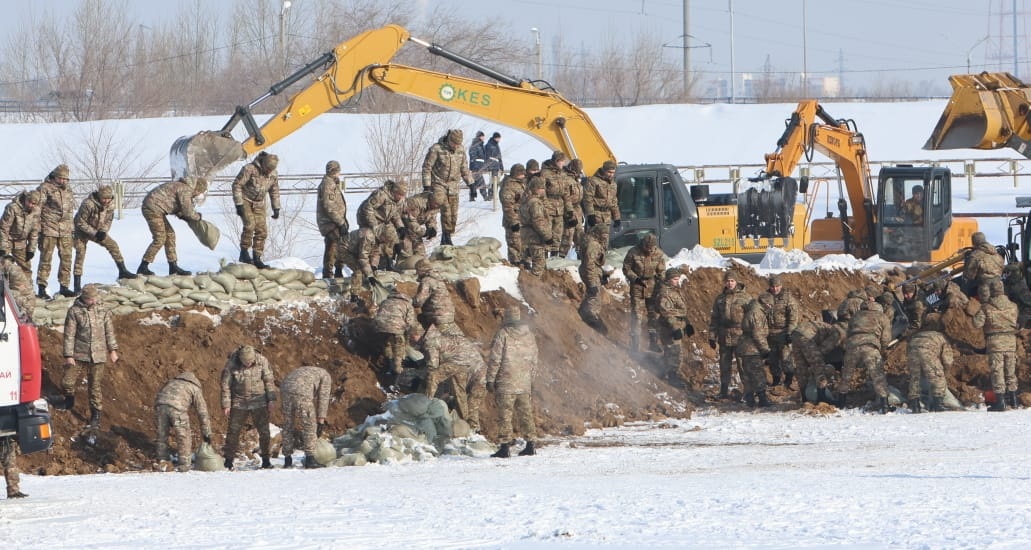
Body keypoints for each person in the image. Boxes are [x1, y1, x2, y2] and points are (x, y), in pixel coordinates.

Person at [60, 284, 119, 428]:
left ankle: (96, 416)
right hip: (79, 353)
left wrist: (112, 350)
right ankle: (69, 400)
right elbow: (69, 334)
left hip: (98, 354)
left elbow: (109, 331)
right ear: (84, 298)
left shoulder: (102, 309)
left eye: (95, 298)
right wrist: (68, 355)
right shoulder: (75, 311)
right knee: (67, 381)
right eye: (90, 299)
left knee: (95, 386)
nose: (93, 301)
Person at [486, 306, 538, 458]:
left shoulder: (503, 334)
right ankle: (530, 444)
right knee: (526, 414)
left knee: (505, 415)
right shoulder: (530, 336)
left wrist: (490, 379)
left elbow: (495, 359)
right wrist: (531, 380)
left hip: (506, 381)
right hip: (524, 382)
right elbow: (534, 360)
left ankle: (504, 447)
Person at [420, 323, 486, 431]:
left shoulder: (431, 342)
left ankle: (426, 405)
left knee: (433, 377)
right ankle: (468, 425)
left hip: (462, 366)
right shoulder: (452, 338)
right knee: (461, 393)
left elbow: (433, 365)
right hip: (467, 366)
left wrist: (425, 379)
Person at [220, 345, 277, 470]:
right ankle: (228, 461)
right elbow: (225, 385)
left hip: (259, 400)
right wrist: (226, 404)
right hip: (239, 401)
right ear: (240, 359)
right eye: (245, 362)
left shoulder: (262, 361)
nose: (247, 364)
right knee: (233, 432)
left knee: (264, 432)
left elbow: (269, 381)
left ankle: (266, 460)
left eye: (250, 362)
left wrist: (271, 400)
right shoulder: (232, 363)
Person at [137, 176, 207, 276]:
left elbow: (176, 206)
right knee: (160, 238)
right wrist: (198, 217)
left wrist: (183, 216)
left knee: (170, 235)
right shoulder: (186, 189)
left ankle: (173, 266)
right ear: (198, 188)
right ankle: (143, 267)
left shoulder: (182, 186)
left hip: (155, 208)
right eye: (199, 192)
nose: (197, 195)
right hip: (153, 209)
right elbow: (188, 211)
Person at [73, 184, 137, 289]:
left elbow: (108, 220)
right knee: (80, 254)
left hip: (97, 230)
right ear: (99, 196)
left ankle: (123, 270)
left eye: (108, 198)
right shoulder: (88, 204)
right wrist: (94, 233)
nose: (106, 201)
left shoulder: (111, 205)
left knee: (113, 245)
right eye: (104, 198)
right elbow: (80, 222)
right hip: (80, 231)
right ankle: (77, 285)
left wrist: (103, 231)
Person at [971, 281, 1019, 411]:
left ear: (991, 292)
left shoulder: (986, 308)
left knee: (997, 371)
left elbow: (976, 324)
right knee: (1010, 371)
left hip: (995, 342)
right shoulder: (1013, 306)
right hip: (1010, 341)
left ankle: (1000, 402)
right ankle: (1014, 401)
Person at [421, 129, 473, 246]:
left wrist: (471, 183)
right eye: (454, 143)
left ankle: (447, 235)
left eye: (458, 144)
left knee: (453, 215)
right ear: (449, 140)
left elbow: (464, 168)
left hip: (453, 185)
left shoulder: (461, 150)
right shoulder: (437, 149)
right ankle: (443, 235)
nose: (455, 146)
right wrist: (427, 185)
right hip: (438, 183)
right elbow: (427, 168)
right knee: (445, 209)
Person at [838, 301, 892, 413]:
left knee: (846, 376)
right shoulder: (882, 316)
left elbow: (848, 333)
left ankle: (841, 404)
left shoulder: (855, 316)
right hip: (870, 346)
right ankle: (885, 406)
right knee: (878, 376)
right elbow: (886, 338)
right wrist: (881, 350)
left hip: (852, 346)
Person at [232, 151, 281, 269]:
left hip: (259, 203)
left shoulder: (273, 174)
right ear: (263, 164)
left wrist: (276, 207)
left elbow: (274, 190)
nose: (268, 171)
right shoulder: (250, 169)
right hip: (245, 200)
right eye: (267, 169)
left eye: (271, 169)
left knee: (262, 230)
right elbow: (237, 185)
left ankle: (257, 257)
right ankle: (244, 252)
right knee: (250, 225)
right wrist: (239, 204)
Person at [154, 371, 212, 472]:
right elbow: (203, 413)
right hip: (177, 408)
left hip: (160, 405)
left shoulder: (172, 382)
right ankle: (184, 464)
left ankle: (162, 460)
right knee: (183, 435)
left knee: (162, 435)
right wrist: (207, 433)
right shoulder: (194, 388)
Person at [35, 163, 77, 299]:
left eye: (66, 179)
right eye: (61, 178)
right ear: (55, 177)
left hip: (65, 229)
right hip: (48, 228)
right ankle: (42, 287)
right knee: (46, 258)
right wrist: (39, 229)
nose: (63, 181)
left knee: (66, 258)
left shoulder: (68, 190)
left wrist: (72, 228)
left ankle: (64, 286)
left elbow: (70, 210)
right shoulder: (44, 188)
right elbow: (37, 209)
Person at [279, 366, 332, 469]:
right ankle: (310, 459)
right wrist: (321, 420)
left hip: (285, 388)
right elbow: (323, 398)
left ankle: (287, 460)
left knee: (288, 424)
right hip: (302, 391)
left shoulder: (307, 371)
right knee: (309, 425)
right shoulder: (326, 376)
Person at [709, 271, 751, 399]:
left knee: (743, 365)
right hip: (724, 335)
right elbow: (714, 318)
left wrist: (752, 335)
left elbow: (752, 317)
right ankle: (723, 391)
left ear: (736, 282)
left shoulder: (746, 298)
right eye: (727, 281)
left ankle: (748, 392)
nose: (730, 283)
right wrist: (712, 336)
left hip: (740, 335)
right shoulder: (720, 299)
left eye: (732, 281)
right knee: (724, 364)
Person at [622, 233, 666, 352]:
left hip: (653, 288)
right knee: (637, 316)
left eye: (651, 248)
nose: (649, 250)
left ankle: (653, 343)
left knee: (654, 316)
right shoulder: (633, 252)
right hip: (637, 287)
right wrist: (635, 278)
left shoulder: (659, 254)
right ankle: (635, 345)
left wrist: (662, 284)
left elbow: (662, 271)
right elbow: (626, 268)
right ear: (643, 244)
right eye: (647, 247)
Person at [790, 311, 844, 404]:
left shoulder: (827, 327)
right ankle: (822, 397)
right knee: (818, 365)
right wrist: (815, 357)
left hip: (795, 334)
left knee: (801, 367)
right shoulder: (837, 334)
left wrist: (809, 356)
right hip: (806, 336)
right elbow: (823, 349)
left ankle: (804, 397)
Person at [905, 313, 951, 413]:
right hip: (928, 354)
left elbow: (907, 349)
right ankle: (937, 405)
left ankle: (915, 405)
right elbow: (947, 359)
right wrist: (946, 371)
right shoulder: (940, 336)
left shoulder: (917, 335)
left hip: (912, 350)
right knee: (937, 377)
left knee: (915, 378)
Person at [655, 267, 694, 379]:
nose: (677, 281)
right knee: (675, 353)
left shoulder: (675, 291)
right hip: (669, 329)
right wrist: (675, 328)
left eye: (678, 279)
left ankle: (664, 373)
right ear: (668, 279)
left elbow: (681, 310)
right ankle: (672, 377)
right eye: (675, 279)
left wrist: (687, 323)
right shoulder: (664, 293)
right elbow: (667, 313)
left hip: (677, 326)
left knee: (672, 352)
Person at [761, 274, 799, 388]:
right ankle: (776, 380)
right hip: (769, 333)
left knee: (786, 357)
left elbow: (793, 317)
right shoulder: (764, 298)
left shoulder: (788, 298)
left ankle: (788, 380)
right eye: (773, 286)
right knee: (772, 359)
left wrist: (789, 332)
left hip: (783, 332)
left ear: (781, 286)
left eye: (777, 286)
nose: (775, 289)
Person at [374, 287, 420, 376]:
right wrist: (409, 336)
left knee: (387, 344)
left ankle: (389, 364)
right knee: (399, 347)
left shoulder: (385, 301)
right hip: (396, 328)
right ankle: (397, 370)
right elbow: (410, 322)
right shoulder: (407, 304)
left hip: (380, 327)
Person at [738, 294, 772, 408]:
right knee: (758, 373)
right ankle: (762, 399)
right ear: (765, 303)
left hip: (747, 347)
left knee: (749, 374)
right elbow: (758, 334)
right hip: (752, 348)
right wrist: (765, 350)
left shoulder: (754, 310)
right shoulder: (757, 313)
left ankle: (750, 399)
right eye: (770, 304)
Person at [316, 160, 349, 279]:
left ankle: (338, 270)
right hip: (330, 223)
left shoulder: (332, 184)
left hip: (335, 221)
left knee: (339, 244)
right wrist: (340, 222)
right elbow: (329, 206)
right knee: (334, 245)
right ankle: (329, 272)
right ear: (335, 171)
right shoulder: (327, 185)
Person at [0, 190, 41, 278]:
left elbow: (34, 232)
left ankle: (27, 290)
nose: (31, 205)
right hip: (7, 240)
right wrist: (3, 247)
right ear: (25, 199)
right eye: (29, 202)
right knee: (4, 265)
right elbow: (4, 228)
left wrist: (31, 249)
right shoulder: (13, 208)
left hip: (21, 243)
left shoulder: (36, 211)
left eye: (33, 204)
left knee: (26, 268)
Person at [540, 151, 574, 257]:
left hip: (560, 209)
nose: (562, 164)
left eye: (563, 162)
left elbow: (566, 193)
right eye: (561, 162)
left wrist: (569, 210)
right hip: (548, 208)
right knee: (546, 235)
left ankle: (554, 259)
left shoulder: (563, 174)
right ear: (556, 161)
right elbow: (541, 191)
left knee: (557, 235)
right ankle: (544, 259)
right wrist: (544, 206)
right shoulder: (545, 173)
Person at [518, 176, 552, 276]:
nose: (544, 190)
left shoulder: (525, 200)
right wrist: (547, 236)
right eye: (542, 188)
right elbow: (538, 221)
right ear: (537, 189)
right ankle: (533, 286)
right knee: (539, 263)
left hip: (527, 235)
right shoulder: (535, 203)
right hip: (535, 236)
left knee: (527, 259)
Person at [583, 160, 621, 248]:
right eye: (609, 172)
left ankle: (602, 259)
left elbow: (614, 202)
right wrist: (590, 214)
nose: (611, 175)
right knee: (593, 241)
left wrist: (617, 218)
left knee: (604, 242)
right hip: (596, 214)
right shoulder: (593, 181)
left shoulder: (613, 184)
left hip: (606, 216)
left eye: (613, 172)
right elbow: (588, 198)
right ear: (604, 170)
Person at [578, 223, 610, 327]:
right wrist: (592, 282)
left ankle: (583, 312)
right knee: (594, 296)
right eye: (604, 235)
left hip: (593, 271)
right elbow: (589, 264)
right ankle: (590, 318)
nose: (605, 237)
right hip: (590, 272)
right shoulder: (594, 244)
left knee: (593, 295)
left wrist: (603, 274)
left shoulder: (592, 241)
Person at [398, 189, 441, 260]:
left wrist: (432, 228)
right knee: (406, 256)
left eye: (438, 205)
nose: (436, 206)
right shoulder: (415, 202)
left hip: (415, 231)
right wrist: (424, 232)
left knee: (421, 256)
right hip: (403, 228)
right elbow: (410, 221)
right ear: (431, 199)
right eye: (435, 204)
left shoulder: (435, 205)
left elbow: (431, 218)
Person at [413, 258, 455, 330]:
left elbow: (419, 301)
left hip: (437, 317)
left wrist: (409, 300)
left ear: (421, 270)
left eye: (417, 270)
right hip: (448, 316)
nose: (417, 273)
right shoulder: (438, 279)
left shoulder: (426, 281)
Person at [499, 164, 527, 264]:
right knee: (514, 244)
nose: (523, 175)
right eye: (521, 174)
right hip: (513, 220)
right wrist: (513, 221)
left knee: (524, 244)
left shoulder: (522, 183)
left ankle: (524, 262)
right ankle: (515, 263)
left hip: (523, 219)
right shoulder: (508, 186)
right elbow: (507, 206)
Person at [963, 232, 1004, 300]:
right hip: (999, 285)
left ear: (974, 242)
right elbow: (1002, 267)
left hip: (985, 288)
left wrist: (967, 260)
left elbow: (969, 275)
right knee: (998, 305)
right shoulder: (996, 253)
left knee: (986, 307)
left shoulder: (975, 255)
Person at [560, 159, 585, 257]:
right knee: (568, 236)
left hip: (577, 209)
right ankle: (560, 258)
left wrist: (580, 214)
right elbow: (565, 198)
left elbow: (578, 198)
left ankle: (581, 256)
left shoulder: (576, 179)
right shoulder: (566, 179)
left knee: (580, 235)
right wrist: (569, 215)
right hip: (568, 210)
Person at [0, 254, 37, 319]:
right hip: (22, 299)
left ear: (2, 262)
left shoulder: (14, 270)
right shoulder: (7, 269)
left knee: (6, 293)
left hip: (26, 303)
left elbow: (11, 291)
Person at [1003, 262, 1031, 328]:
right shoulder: (1008, 284)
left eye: (1009, 273)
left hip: (1020, 319)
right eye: (1007, 272)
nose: (1007, 275)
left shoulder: (1021, 288)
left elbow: (1028, 307)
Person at [467, 130, 488, 201]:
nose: (484, 138)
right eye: (483, 136)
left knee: (474, 183)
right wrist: (476, 167)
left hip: (479, 167)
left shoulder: (480, 145)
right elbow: (473, 157)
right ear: (480, 137)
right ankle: (485, 197)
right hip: (476, 168)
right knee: (481, 182)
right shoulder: (476, 145)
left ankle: (472, 197)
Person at [484, 131, 504, 199]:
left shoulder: (496, 145)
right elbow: (487, 157)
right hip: (492, 166)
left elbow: (499, 157)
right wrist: (488, 166)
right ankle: (491, 195)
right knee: (493, 181)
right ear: (495, 138)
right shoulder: (489, 145)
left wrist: (501, 167)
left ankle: (493, 195)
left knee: (497, 181)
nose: (499, 140)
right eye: (498, 138)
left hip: (497, 166)